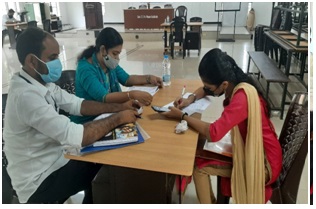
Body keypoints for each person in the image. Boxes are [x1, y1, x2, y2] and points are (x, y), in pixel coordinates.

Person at [3, 27, 141, 204]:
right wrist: (119, 117)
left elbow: (78, 104)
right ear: (32, 61)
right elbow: (77, 135)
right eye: (52, 58)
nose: (58, 63)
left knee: (104, 162)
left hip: (57, 161)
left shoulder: (41, 82)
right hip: (39, 183)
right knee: (106, 167)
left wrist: (119, 108)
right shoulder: (25, 96)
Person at [162, 48, 282, 204]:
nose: (207, 90)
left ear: (223, 84)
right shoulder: (234, 81)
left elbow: (214, 133)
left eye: (210, 87)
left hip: (264, 163)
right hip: (260, 149)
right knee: (199, 144)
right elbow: (204, 90)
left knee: (199, 167)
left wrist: (182, 116)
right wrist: (189, 100)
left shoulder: (241, 98)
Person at [71, 27, 163, 124]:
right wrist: (131, 95)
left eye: (118, 54)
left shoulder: (108, 64)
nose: (117, 58)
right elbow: (104, 97)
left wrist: (148, 78)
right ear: (103, 50)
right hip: (88, 122)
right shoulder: (85, 69)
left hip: (109, 113)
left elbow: (127, 79)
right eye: (115, 53)